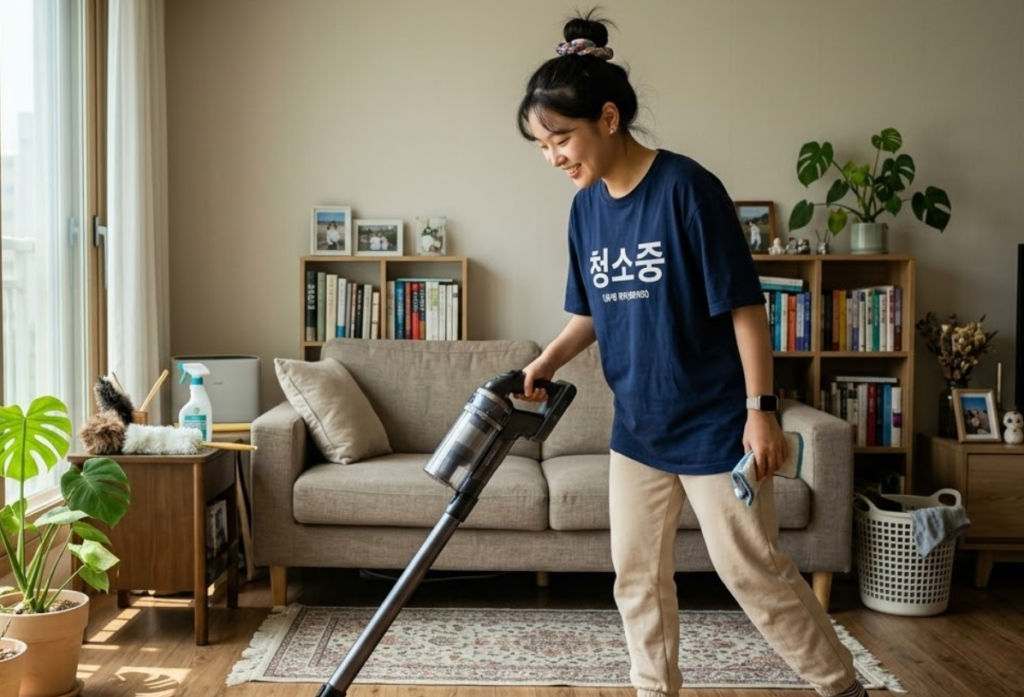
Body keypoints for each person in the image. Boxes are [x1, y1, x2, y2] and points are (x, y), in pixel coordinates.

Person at [515, 11, 870, 697]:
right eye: (541, 145)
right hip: (637, 428)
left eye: (560, 139)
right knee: (636, 577)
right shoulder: (586, 210)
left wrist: (761, 411)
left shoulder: (686, 188)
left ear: (608, 118)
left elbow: (744, 306)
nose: (553, 157)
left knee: (753, 571)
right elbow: (590, 311)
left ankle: (840, 686)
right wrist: (548, 360)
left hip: (713, 425)